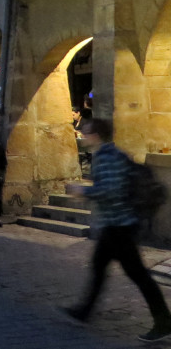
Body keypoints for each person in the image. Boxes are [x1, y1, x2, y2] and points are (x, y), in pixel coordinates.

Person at [63, 118, 171, 342]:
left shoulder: (106, 157)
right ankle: (84, 311)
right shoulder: (111, 154)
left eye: (87, 131)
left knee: (137, 274)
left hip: (119, 224)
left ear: (97, 134)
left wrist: (82, 191)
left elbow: (111, 190)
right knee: (100, 267)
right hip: (117, 224)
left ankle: (164, 321)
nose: (83, 135)